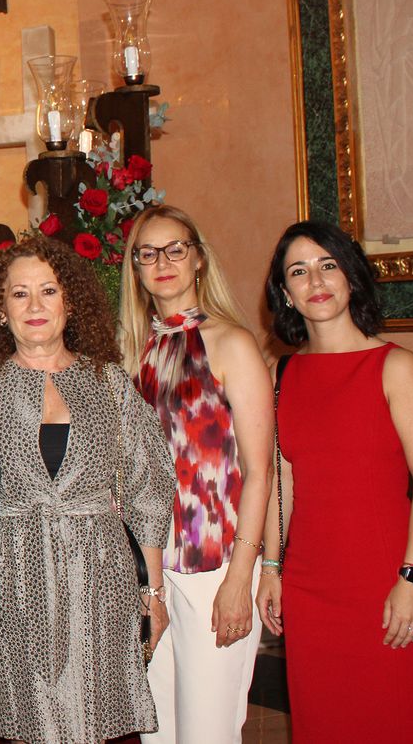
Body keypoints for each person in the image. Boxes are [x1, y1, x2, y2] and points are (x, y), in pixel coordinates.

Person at [0, 234, 175, 744]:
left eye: (48, 291)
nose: (35, 306)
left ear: (69, 302)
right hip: (8, 576)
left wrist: (154, 591)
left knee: (97, 718)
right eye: (19, 294)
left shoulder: (110, 382)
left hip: (99, 578)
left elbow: (148, 485)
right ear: (0, 309)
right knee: (24, 721)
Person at [256, 220, 413, 742]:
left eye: (328, 265)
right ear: (286, 294)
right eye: (299, 271)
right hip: (313, 587)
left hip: (387, 581)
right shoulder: (285, 374)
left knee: (399, 721)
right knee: (325, 726)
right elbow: (284, 479)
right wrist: (272, 566)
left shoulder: (397, 368)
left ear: (352, 278)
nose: (315, 280)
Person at [118, 205, 273, 744]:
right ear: (134, 269)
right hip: (147, 571)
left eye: (175, 249)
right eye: (147, 253)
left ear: (199, 259)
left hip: (215, 565)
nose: (162, 262)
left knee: (207, 733)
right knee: (156, 730)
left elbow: (261, 470)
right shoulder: (130, 353)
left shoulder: (230, 343)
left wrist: (240, 577)